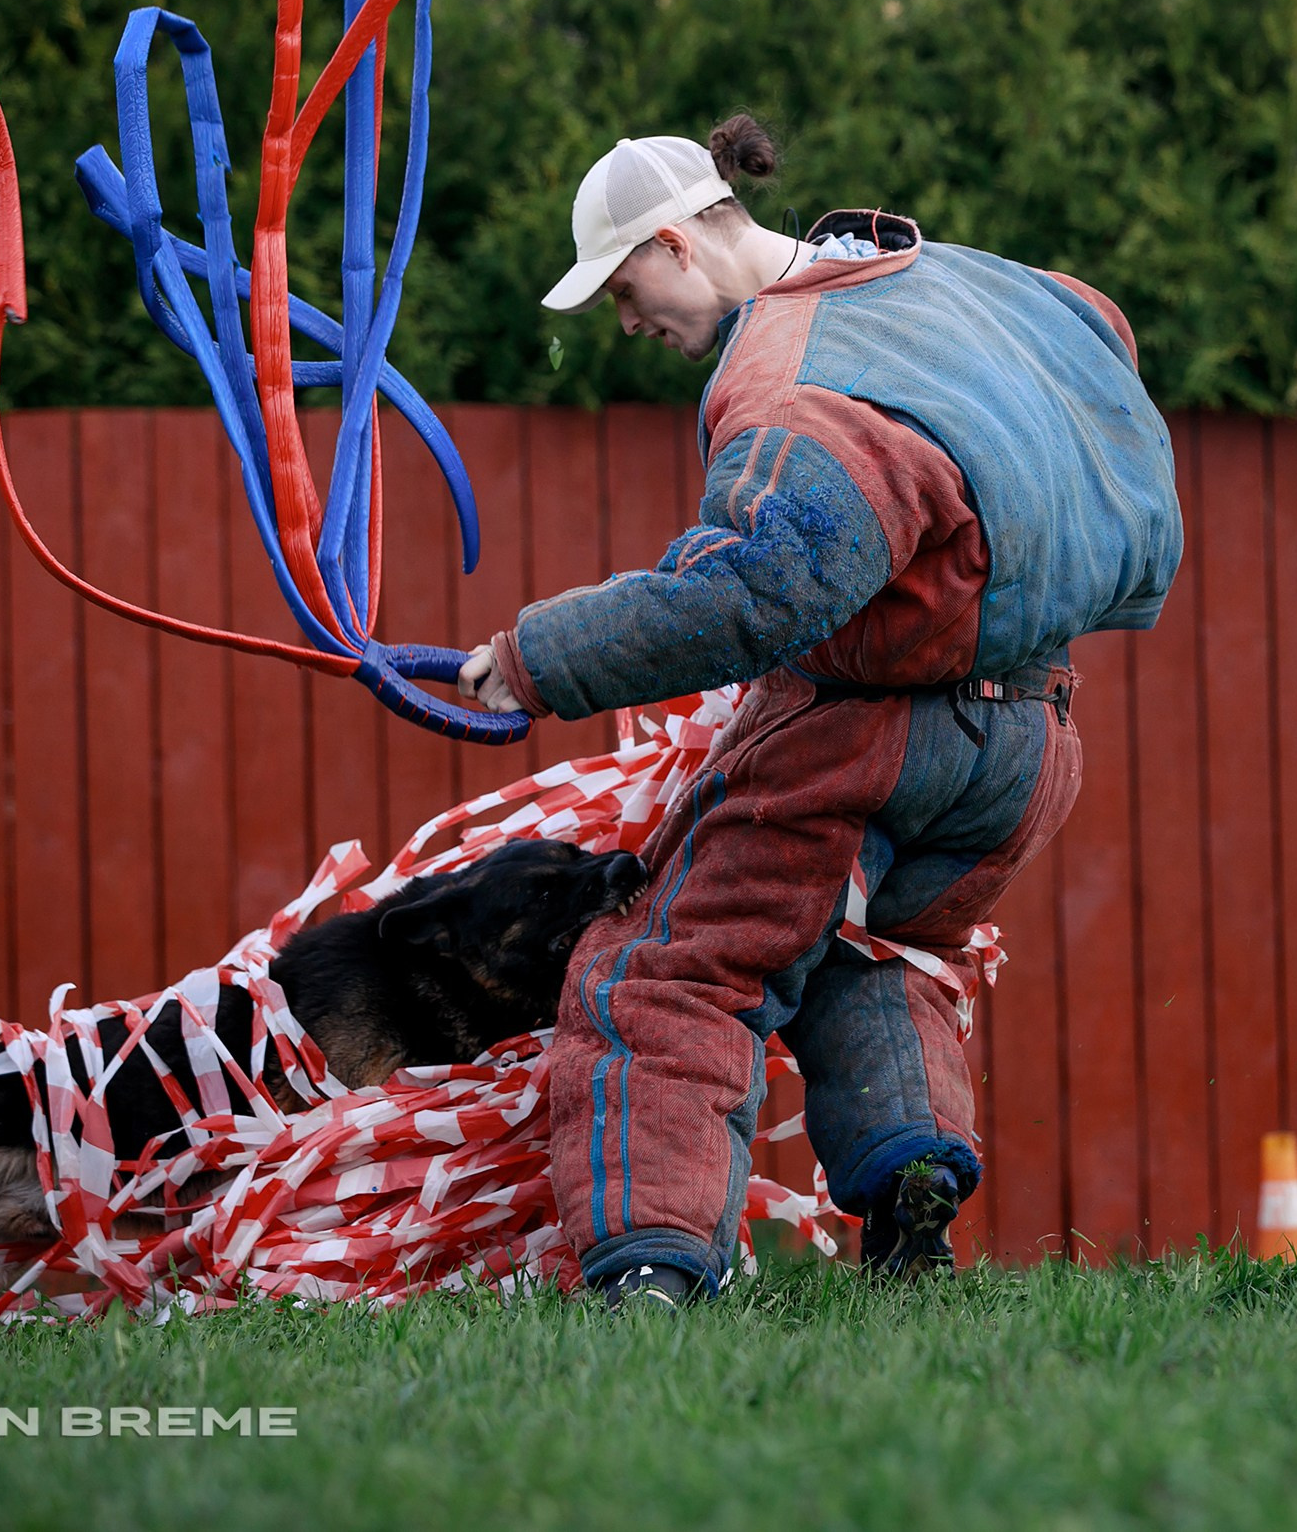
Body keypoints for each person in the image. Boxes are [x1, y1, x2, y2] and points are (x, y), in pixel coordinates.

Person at [458, 116, 1182, 1309]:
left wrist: (534, 659)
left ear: (682, 243)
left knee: (671, 975)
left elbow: (758, 591)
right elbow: (1100, 331)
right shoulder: (976, 287)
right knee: (866, 947)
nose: (626, 322)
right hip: (1029, 743)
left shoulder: (790, 381)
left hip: (870, 734)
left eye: (625, 286)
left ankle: (648, 1270)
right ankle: (909, 1192)